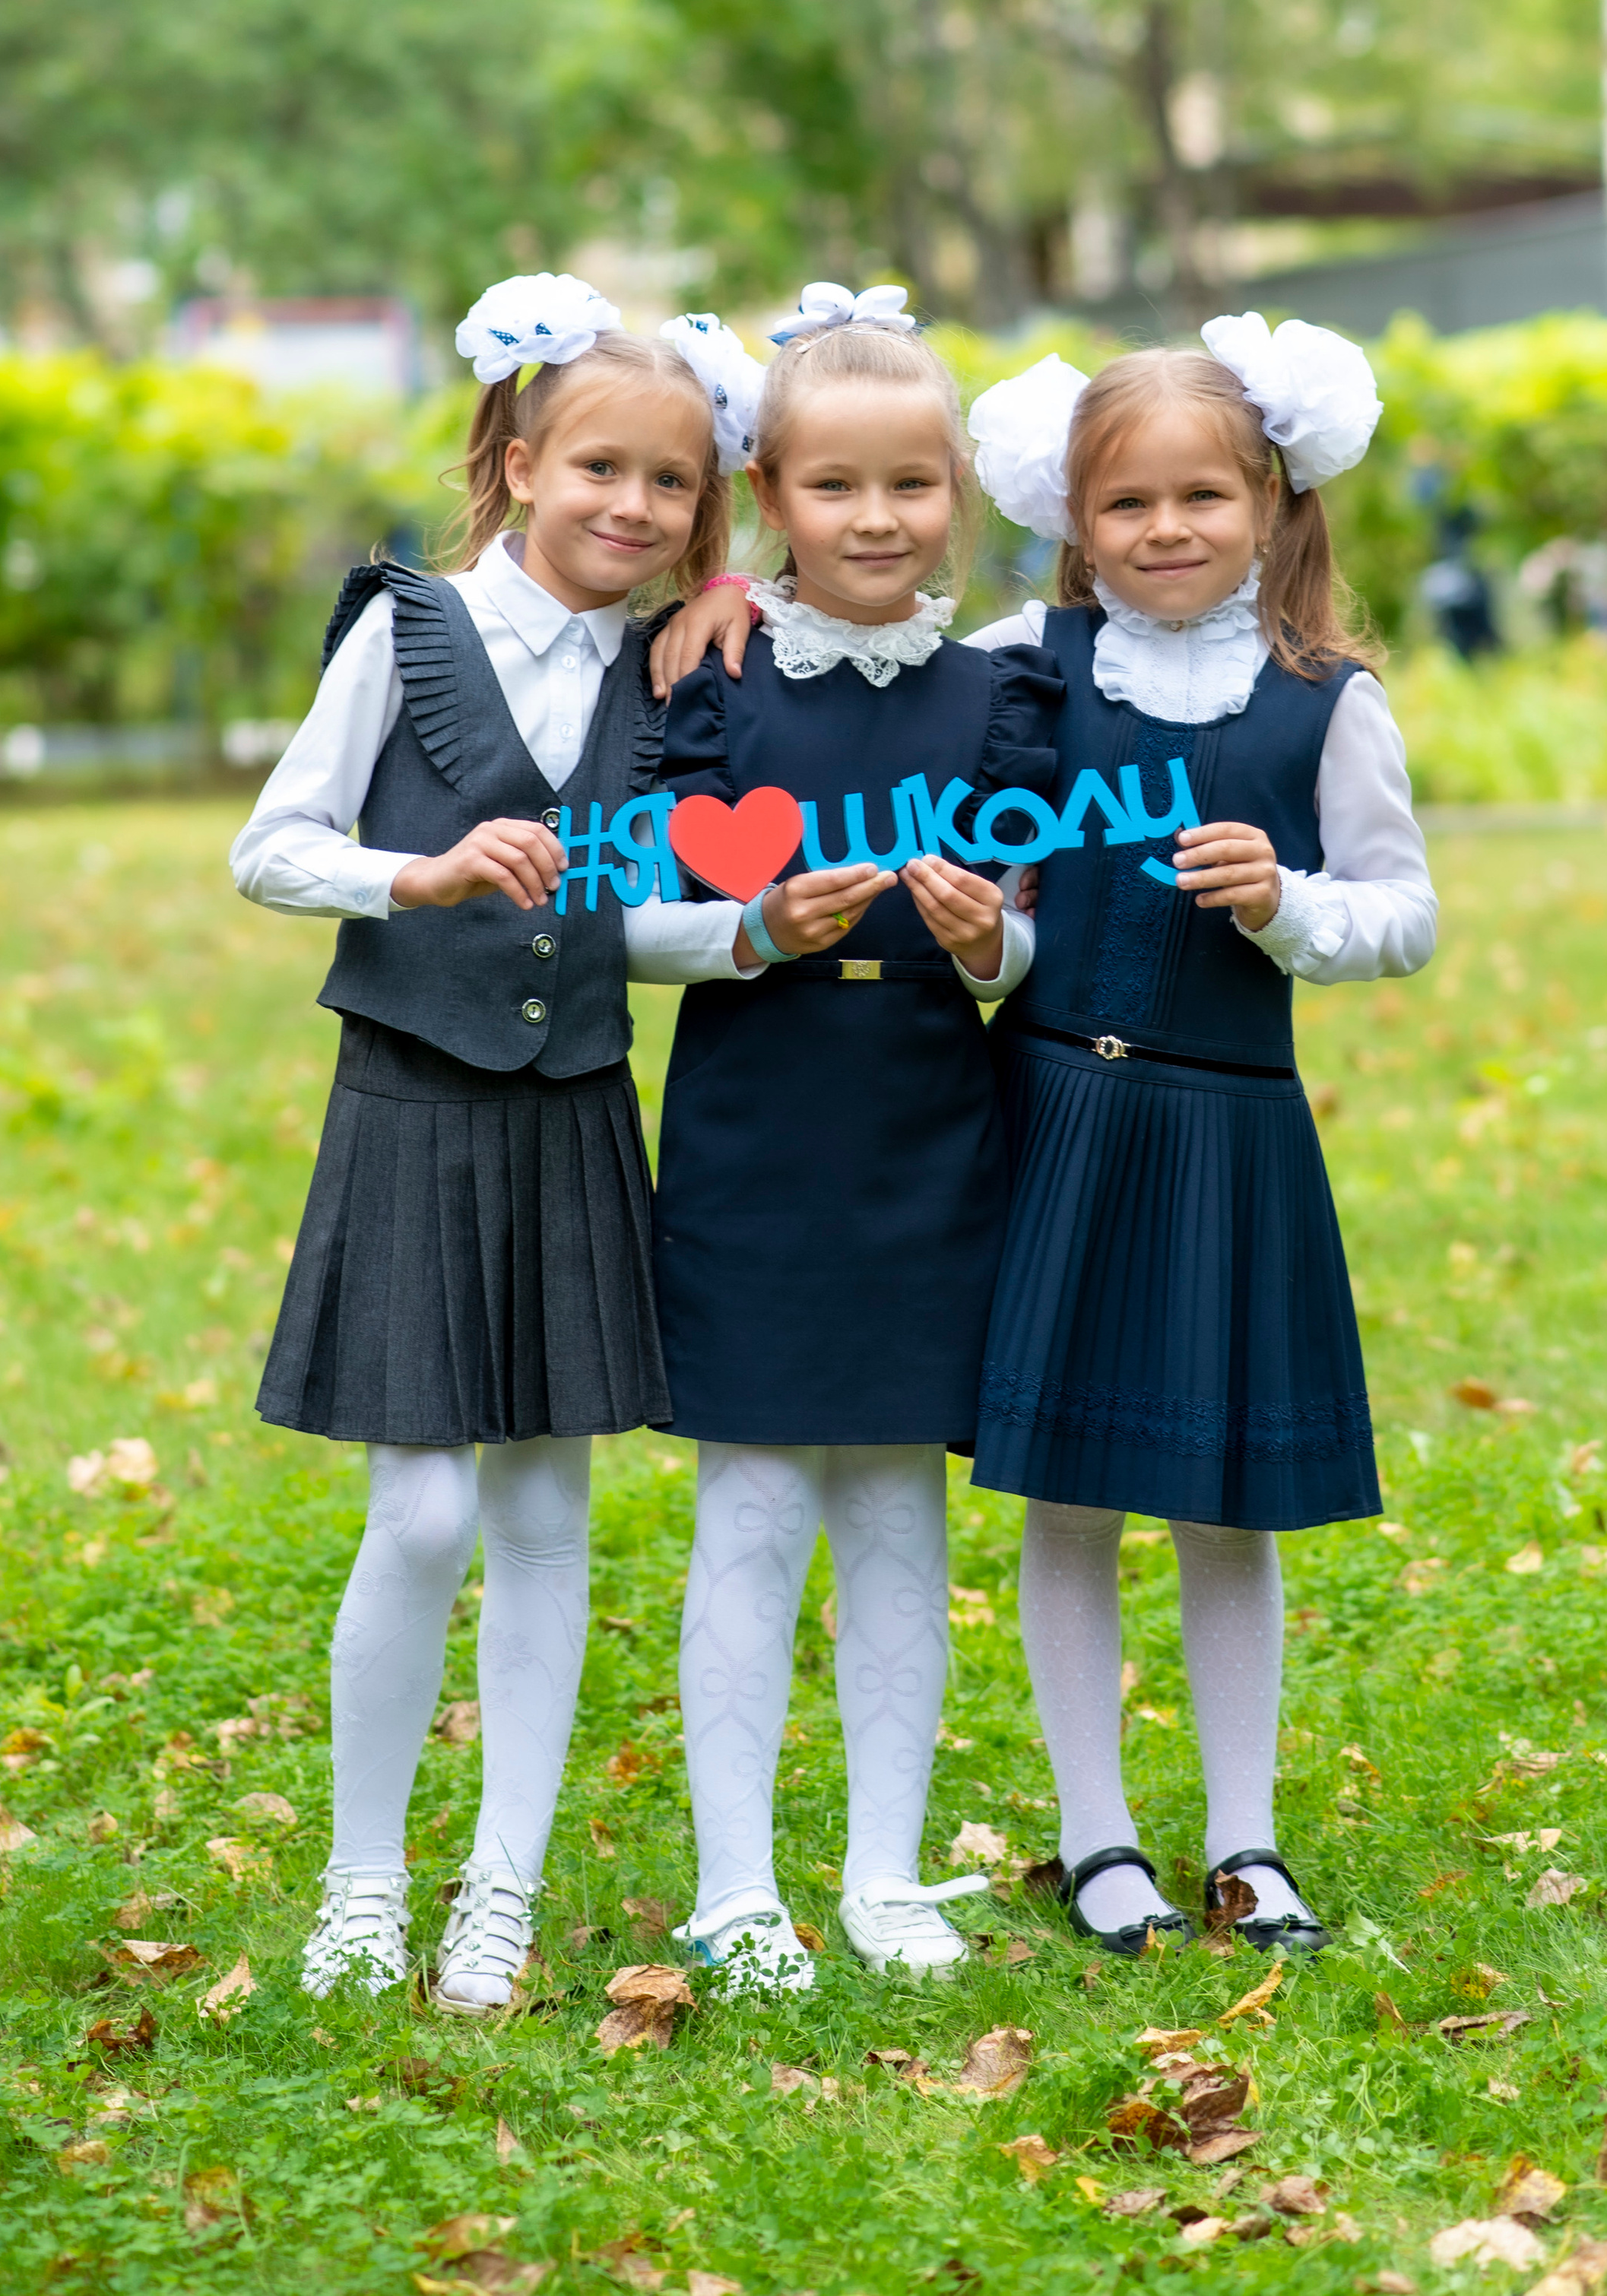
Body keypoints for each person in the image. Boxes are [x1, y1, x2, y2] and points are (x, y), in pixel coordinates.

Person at [230, 273, 759, 2015]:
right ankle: (364, 1874)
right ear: (518, 458)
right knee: (424, 1510)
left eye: (669, 484)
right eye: (596, 465)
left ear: (701, 509)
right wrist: (422, 874)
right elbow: (273, 844)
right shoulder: (408, 629)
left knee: (547, 1513)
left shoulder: (669, 675)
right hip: (411, 1102)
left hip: (573, 1113)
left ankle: (500, 1889)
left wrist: (753, 935)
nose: (630, 505)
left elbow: (632, 918)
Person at [953, 317, 1437, 1955]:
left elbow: (1403, 914)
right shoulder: (1032, 667)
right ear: (1071, 519)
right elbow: (1010, 911)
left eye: (1200, 497)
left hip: (1224, 1130)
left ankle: (1245, 1837)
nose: (1163, 530)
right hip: (1057, 1116)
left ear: (1271, 500)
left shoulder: (1320, 700)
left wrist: (1291, 904)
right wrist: (977, 945)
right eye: (1126, 504)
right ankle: (1096, 1837)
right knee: (1068, 1493)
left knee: (1224, 1500)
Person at [650, 281, 1062, 1991]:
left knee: (898, 1506)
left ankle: (885, 1871)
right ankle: (734, 1882)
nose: (876, 518)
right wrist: (748, 929)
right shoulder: (713, 678)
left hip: (922, 1128)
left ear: (953, 493)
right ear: (770, 502)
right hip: (754, 1126)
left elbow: (1035, 918)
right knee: (748, 1502)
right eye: (835, 488)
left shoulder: (998, 699)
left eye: (910, 484)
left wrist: (989, 943)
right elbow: (633, 904)